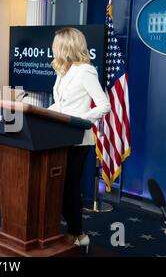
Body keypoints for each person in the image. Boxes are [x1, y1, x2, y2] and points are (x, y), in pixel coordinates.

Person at [47, 28, 111, 250]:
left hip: (79, 139)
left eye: (56, 44)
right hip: (60, 138)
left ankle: (78, 233)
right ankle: (74, 231)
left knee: (69, 188)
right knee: (59, 188)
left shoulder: (85, 71)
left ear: (66, 45)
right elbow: (62, 103)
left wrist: (76, 119)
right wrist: (43, 112)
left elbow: (104, 105)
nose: (53, 47)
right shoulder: (63, 70)